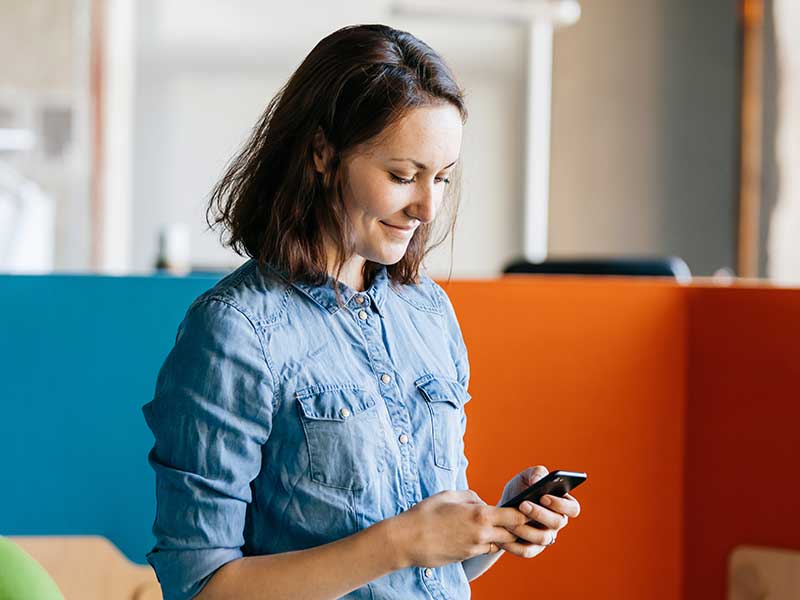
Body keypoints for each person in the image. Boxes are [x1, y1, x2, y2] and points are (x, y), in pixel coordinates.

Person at [142, 23, 581, 600]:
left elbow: (421, 572)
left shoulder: (426, 311)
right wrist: (401, 541)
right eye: (403, 176)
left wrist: (489, 528)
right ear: (323, 154)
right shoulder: (235, 331)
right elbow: (202, 586)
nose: (427, 206)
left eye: (442, 177)